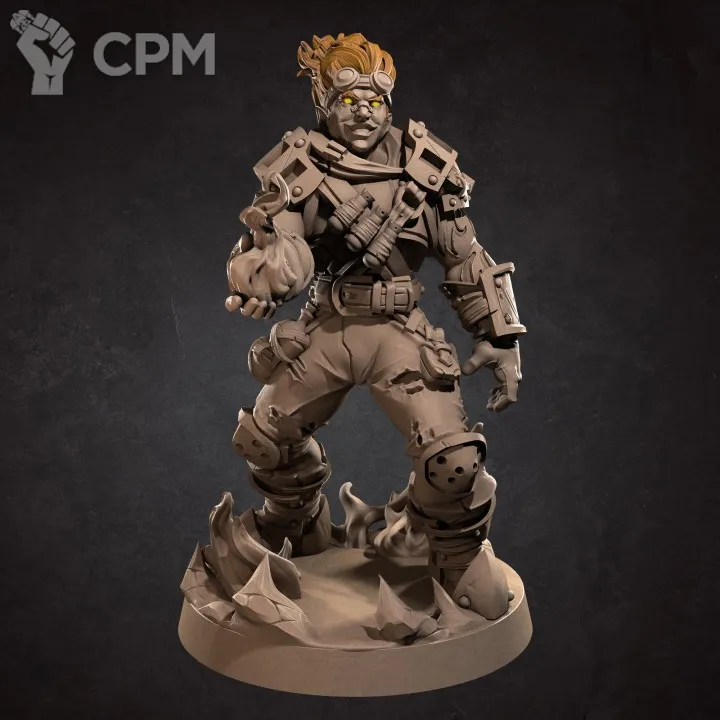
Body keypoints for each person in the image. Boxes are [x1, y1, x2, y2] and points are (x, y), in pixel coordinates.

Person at [225, 33, 525, 615]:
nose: (362, 112)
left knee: (454, 460)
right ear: (323, 103)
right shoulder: (297, 170)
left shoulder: (426, 168)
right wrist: (262, 273)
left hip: (399, 331)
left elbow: (467, 257)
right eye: (347, 100)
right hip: (327, 324)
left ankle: (456, 559)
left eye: (374, 100)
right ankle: (294, 525)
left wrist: (500, 338)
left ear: (389, 103)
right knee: (262, 438)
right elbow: (281, 246)